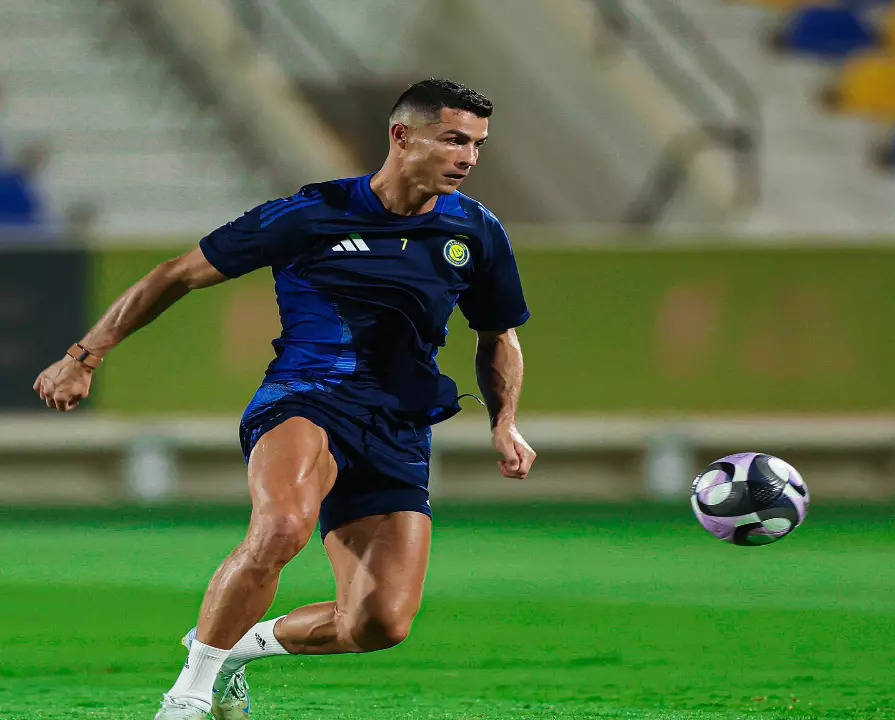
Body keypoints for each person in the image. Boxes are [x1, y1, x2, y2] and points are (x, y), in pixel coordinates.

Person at [32, 78, 536, 719]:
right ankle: (189, 693)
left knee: (379, 624)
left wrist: (506, 423)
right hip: (306, 398)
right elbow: (178, 274)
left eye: (477, 145)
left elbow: (498, 336)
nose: (467, 157)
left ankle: (235, 648)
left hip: (399, 426)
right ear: (402, 137)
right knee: (282, 528)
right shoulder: (311, 213)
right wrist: (84, 356)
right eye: (454, 140)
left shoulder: (477, 232)